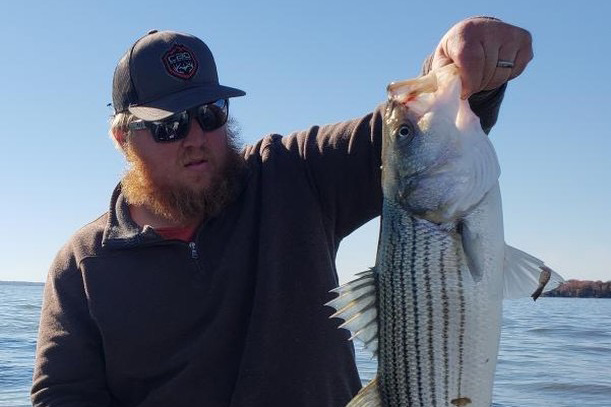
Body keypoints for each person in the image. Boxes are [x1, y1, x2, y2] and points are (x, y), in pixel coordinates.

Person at [31, 17, 533, 407]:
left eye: (210, 113)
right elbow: (63, 396)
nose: (197, 138)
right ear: (123, 138)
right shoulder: (81, 267)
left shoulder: (291, 174)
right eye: (168, 125)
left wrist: (465, 69)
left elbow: (410, 146)